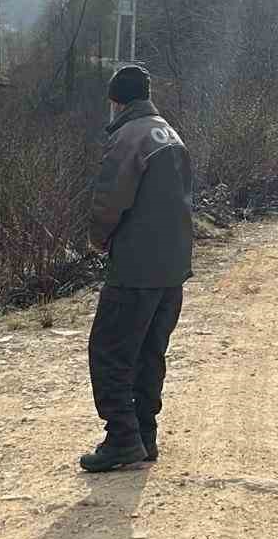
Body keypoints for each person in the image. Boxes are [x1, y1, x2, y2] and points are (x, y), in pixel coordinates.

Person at [81, 64, 195, 473]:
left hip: (136, 268)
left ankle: (122, 439)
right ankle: (145, 434)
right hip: (173, 266)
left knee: (109, 351)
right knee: (150, 352)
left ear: (116, 101)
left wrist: (97, 240)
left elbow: (110, 200)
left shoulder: (128, 138)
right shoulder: (170, 134)